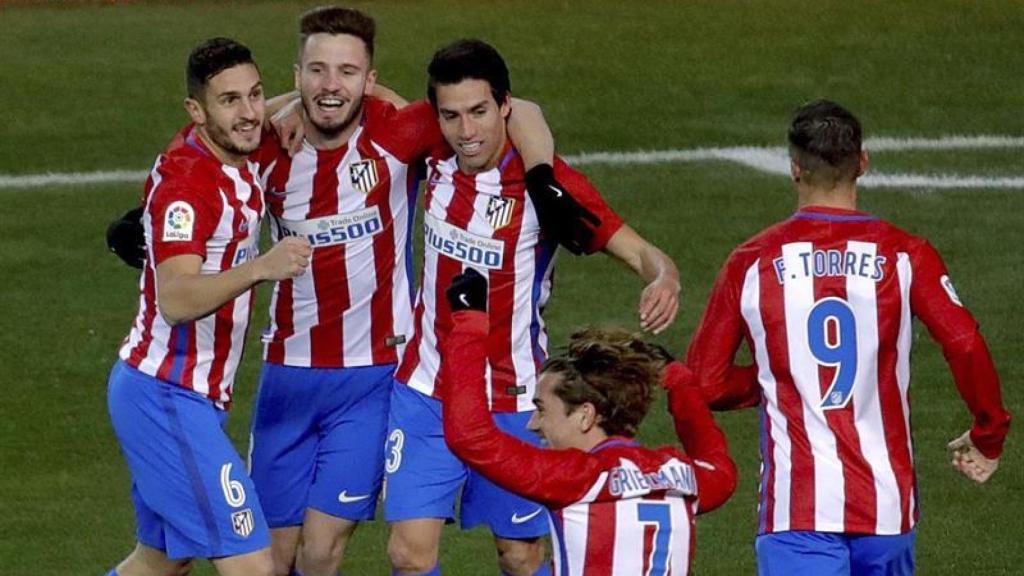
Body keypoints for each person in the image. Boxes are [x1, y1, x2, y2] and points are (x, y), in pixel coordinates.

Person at [244, 7, 558, 576]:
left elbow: (520, 108)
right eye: (316, 70)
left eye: (346, 71)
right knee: (269, 559)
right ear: (297, 74)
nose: (329, 84)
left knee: (324, 550)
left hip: (374, 373)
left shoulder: (399, 132)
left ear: (369, 79)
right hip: (287, 372)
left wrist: (540, 175)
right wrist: (275, 111)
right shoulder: (269, 146)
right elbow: (210, 138)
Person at [384, 39, 681, 576]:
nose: (466, 131)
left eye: (479, 112)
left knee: (520, 556)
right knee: (408, 553)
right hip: (427, 386)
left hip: (516, 397)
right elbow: (355, 98)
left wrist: (665, 277)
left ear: (504, 107)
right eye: (451, 115)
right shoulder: (432, 147)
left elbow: (636, 248)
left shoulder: (548, 186)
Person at [684, 99, 1012, 575]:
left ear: (795, 169)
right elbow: (963, 343)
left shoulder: (751, 261)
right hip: (887, 508)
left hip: (796, 511)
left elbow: (705, 382)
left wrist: (786, 376)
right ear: (863, 162)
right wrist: (989, 431)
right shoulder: (906, 253)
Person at [105, 38, 312, 576]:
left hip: (183, 397)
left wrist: (293, 103)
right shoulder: (189, 187)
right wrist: (261, 267)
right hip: (165, 396)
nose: (249, 113)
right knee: (252, 561)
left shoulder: (239, 146)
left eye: (256, 95)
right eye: (230, 101)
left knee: (160, 563)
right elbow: (175, 299)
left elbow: (304, 102)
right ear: (197, 111)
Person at [438, 268, 737, 575]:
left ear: (585, 415)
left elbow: (469, 436)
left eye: (542, 409)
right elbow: (720, 468)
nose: (533, 424)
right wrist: (680, 382)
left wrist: (469, 324)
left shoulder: (576, 478)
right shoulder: (681, 475)